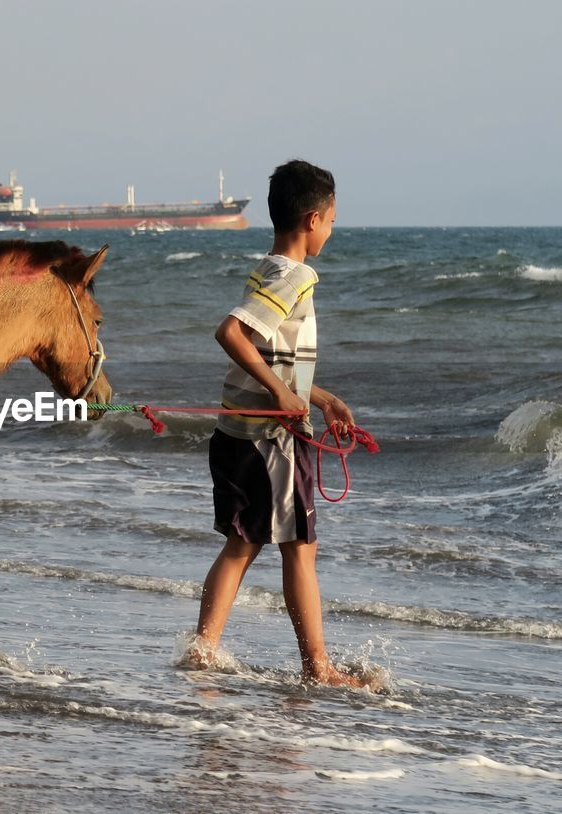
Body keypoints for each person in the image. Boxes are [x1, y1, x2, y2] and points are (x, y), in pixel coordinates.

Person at [191, 159, 365, 688]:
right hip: (271, 441)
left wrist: (321, 398)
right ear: (313, 219)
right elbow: (231, 334)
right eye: (332, 222)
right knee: (300, 550)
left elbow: (277, 357)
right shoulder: (296, 276)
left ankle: (202, 651)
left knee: (242, 545)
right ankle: (320, 669)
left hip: (239, 433)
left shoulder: (269, 268)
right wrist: (281, 393)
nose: (332, 232)